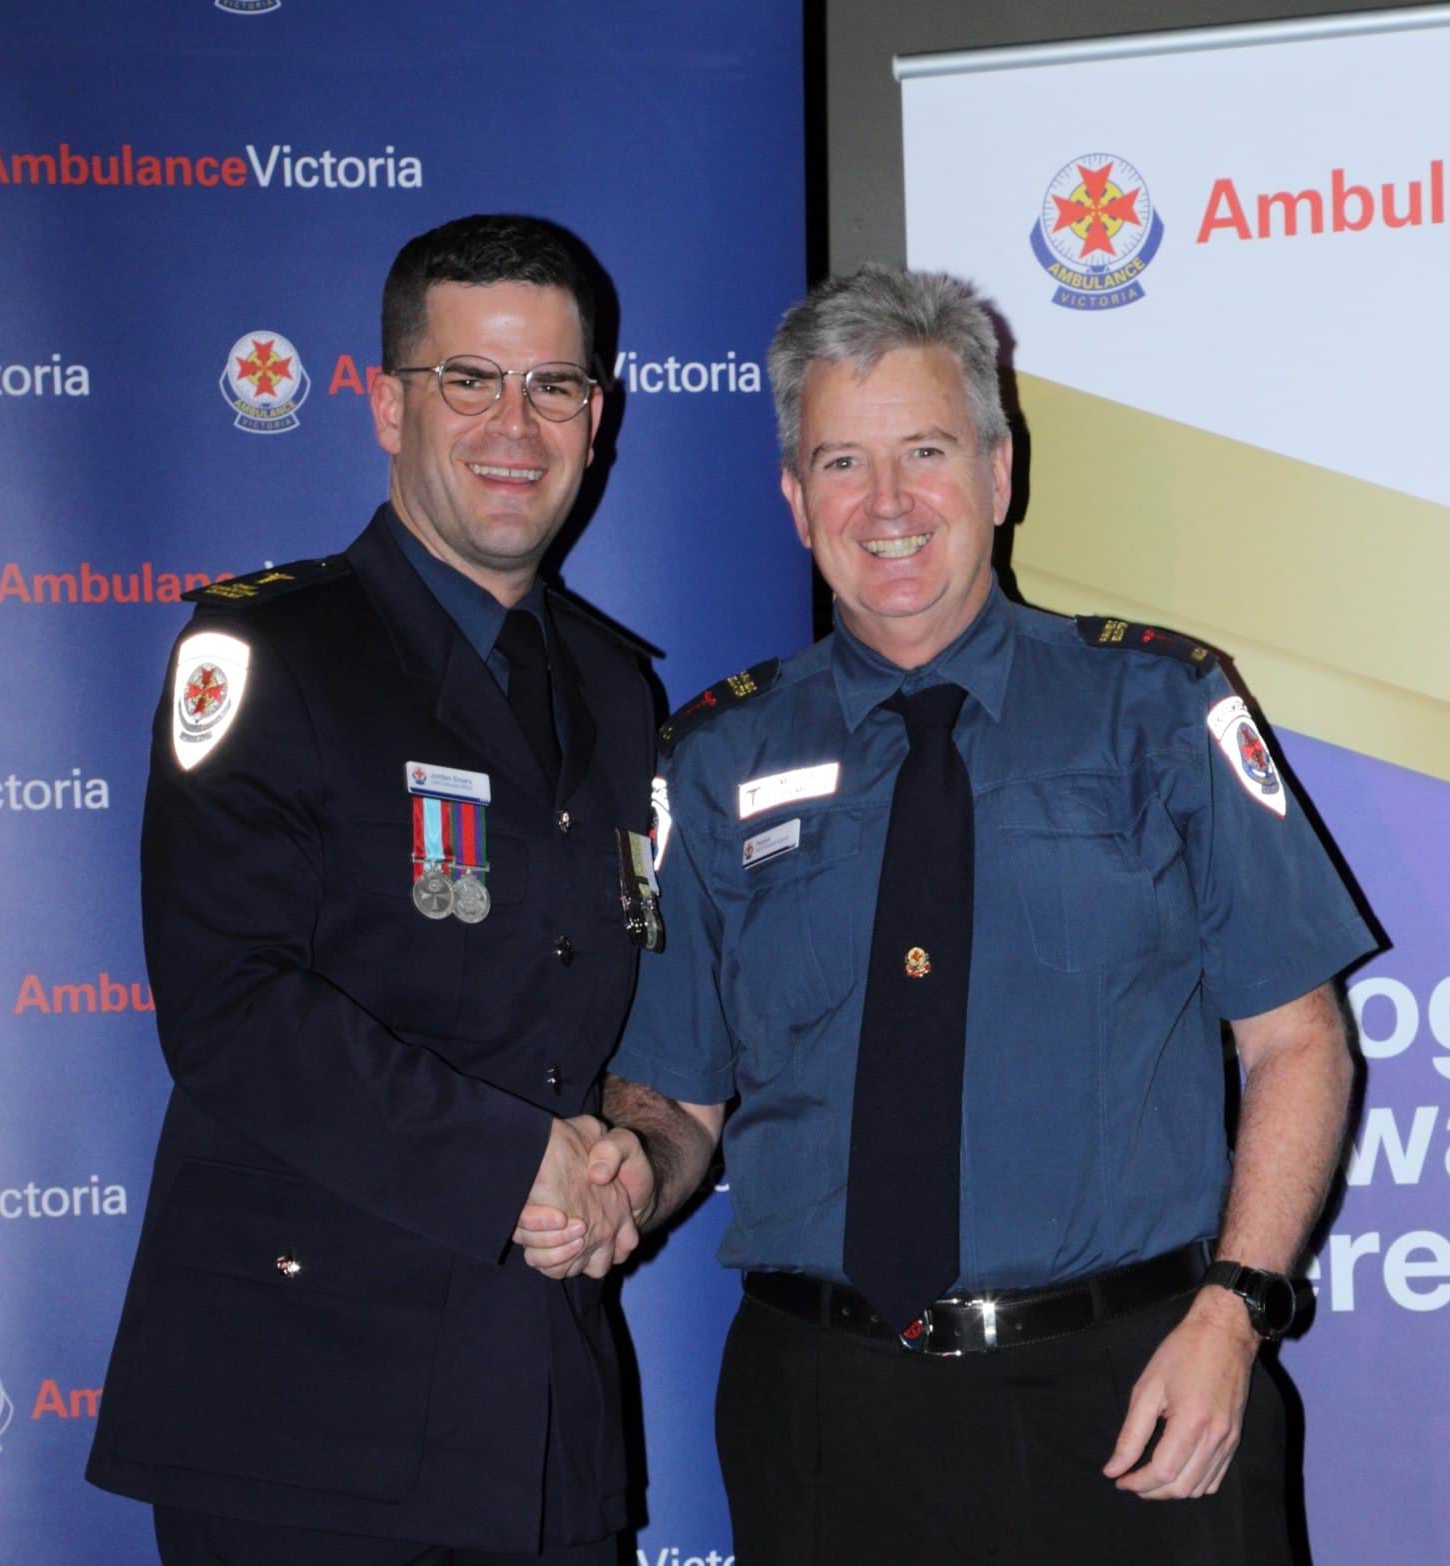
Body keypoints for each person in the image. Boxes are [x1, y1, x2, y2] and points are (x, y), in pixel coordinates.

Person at [535, 267, 1378, 1564]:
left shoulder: (1157, 711)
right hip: (828, 1413)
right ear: (793, 499)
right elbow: (678, 1098)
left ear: (997, 469)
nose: (887, 506)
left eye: (925, 452)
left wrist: (1235, 1308)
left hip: (1142, 1390)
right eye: (841, 463)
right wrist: (624, 1181)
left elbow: (1297, 1042)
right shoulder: (712, 758)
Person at [87, 214, 658, 1566]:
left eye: (554, 385)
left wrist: (633, 1155)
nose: (515, 425)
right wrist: (520, 1157)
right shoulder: (266, 651)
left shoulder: (620, 689)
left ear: (599, 415)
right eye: (471, 379)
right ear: (389, 403)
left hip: (540, 1412)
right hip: (305, 1418)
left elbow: (602, 994)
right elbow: (229, 1006)